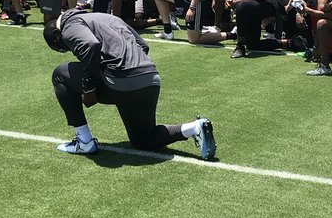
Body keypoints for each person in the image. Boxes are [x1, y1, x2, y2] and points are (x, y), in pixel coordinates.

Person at [43, 9, 216, 159]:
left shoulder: (69, 25)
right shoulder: (107, 17)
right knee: (143, 140)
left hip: (121, 81)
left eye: (62, 47)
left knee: (59, 73)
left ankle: (84, 141)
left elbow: (89, 45)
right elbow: (143, 45)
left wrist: (88, 88)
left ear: (58, 36)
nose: (67, 50)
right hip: (150, 78)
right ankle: (193, 128)